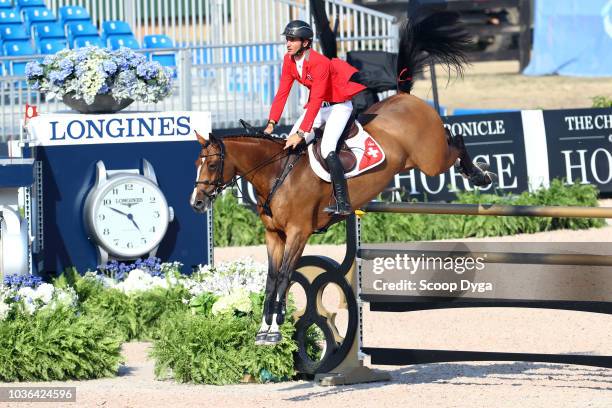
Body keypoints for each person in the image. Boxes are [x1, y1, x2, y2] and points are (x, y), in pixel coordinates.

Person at [264, 20, 366, 216]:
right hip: (319, 107)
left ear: (305, 43)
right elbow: (282, 93)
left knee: (327, 147)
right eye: (287, 39)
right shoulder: (288, 60)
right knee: (289, 143)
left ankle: (343, 202)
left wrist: (302, 133)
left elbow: (317, 98)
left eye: (292, 40)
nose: (288, 43)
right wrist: (271, 123)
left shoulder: (320, 62)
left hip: (338, 107)